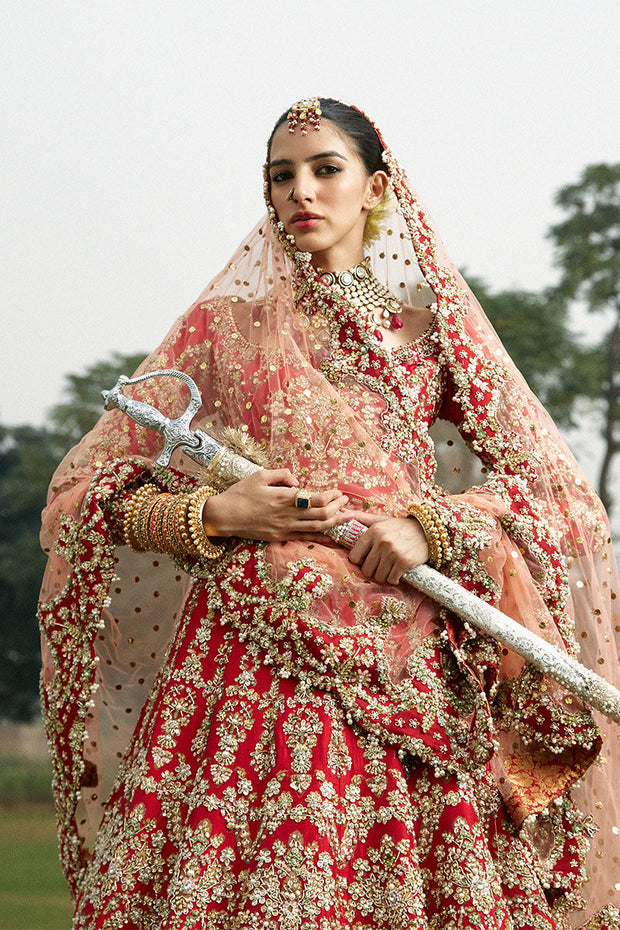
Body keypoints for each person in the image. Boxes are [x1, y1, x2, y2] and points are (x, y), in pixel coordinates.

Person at [38, 98, 620, 929]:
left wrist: (434, 524)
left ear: (377, 187)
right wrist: (216, 512)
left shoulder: (428, 334)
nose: (301, 191)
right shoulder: (223, 330)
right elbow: (80, 498)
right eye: (282, 176)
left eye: (325, 169)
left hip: (412, 657)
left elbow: (557, 493)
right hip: (252, 656)